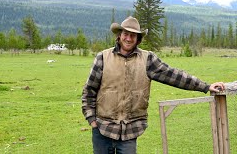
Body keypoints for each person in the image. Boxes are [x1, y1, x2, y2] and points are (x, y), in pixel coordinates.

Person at [81, 16, 225, 154]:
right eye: (126, 34)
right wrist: (92, 120)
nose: (128, 38)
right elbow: (89, 90)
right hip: (102, 128)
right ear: (119, 35)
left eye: (133, 35)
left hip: (130, 131)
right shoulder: (103, 57)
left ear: (138, 39)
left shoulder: (147, 59)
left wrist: (205, 86)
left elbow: (174, 75)